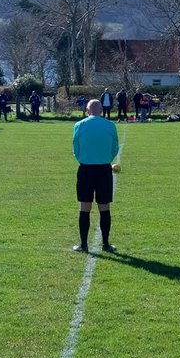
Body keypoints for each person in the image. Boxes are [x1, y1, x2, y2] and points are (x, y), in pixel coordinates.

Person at [72, 98, 120, 253]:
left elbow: (76, 149)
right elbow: (115, 148)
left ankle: (83, 245)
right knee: (104, 207)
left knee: (85, 207)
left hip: (85, 169)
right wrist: (105, 159)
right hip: (104, 170)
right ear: (101, 110)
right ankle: (106, 244)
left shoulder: (79, 125)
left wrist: (84, 159)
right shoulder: (110, 125)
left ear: (87, 110)